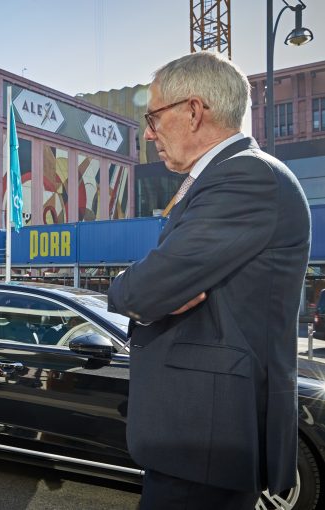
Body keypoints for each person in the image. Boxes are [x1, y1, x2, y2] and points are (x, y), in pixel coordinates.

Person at [107, 51, 310, 509]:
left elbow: (143, 288)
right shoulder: (226, 178)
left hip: (206, 439)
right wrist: (157, 288)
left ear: (194, 111)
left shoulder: (245, 176)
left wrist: (131, 286)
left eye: (154, 117)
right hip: (201, 437)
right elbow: (162, 284)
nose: (149, 133)